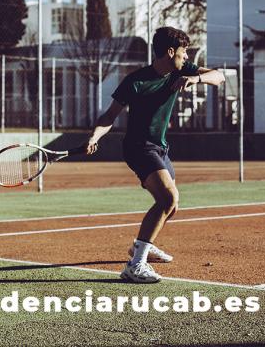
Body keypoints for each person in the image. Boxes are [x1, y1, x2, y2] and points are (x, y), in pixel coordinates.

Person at [86, 26, 225, 283]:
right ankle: (135, 265)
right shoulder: (135, 81)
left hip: (160, 148)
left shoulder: (183, 70)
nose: (186, 58)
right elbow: (109, 116)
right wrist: (95, 136)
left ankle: (143, 247)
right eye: (183, 53)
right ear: (170, 52)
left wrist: (196, 79)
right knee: (168, 198)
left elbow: (219, 77)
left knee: (171, 206)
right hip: (139, 148)